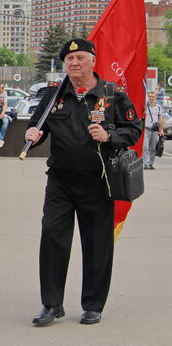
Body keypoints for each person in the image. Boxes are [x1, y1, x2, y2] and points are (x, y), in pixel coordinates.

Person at [25, 39, 141, 326]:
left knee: (97, 243)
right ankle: (51, 304)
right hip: (60, 181)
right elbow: (36, 123)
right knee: (52, 237)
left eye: (80, 58)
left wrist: (110, 137)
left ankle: (93, 304)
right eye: (69, 59)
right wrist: (32, 134)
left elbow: (134, 129)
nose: (74, 63)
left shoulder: (112, 95)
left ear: (92, 61)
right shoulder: (54, 95)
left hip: (98, 181)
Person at [143, 90, 165, 170]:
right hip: (146, 129)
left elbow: (161, 119)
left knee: (153, 148)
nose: (151, 98)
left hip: (155, 130)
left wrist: (161, 129)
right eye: (150, 96)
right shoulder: (145, 107)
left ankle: (150, 163)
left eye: (153, 96)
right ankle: (146, 163)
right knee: (145, 147)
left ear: (155, 97)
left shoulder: (158, 107)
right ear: (148, 97)